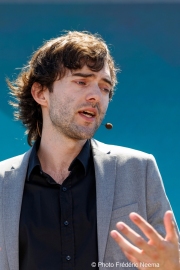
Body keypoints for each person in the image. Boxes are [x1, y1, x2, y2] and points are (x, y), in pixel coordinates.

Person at [0, 31, 179, 270]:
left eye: (105, 88)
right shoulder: (3, 185)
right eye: (81, 81)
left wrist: (172, 266)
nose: (96, 96)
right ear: (41, 93)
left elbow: (167, 260)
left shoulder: (139, 169)